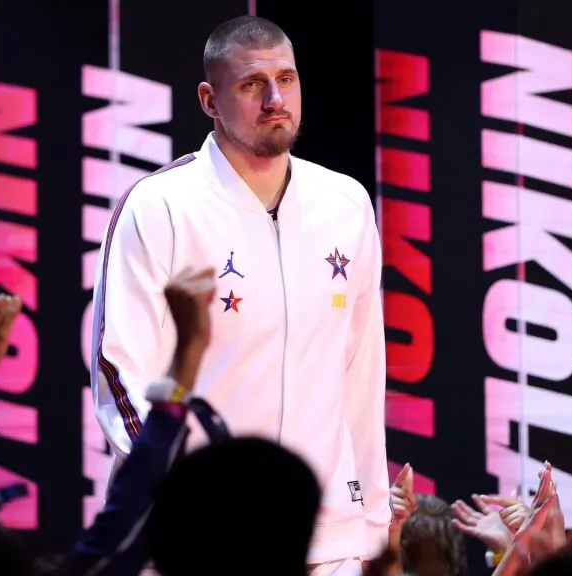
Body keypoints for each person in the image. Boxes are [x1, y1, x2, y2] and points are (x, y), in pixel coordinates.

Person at [90, 15, 389, 574]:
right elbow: (120, 375)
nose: (276, 99)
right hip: (198, 537)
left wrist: (372, 526)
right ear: (209, 98)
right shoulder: (160, 206)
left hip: (328, 538)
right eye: (253, 84)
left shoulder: (345, 204)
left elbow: (362, 378)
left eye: (288, 79)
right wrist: (187, 500)